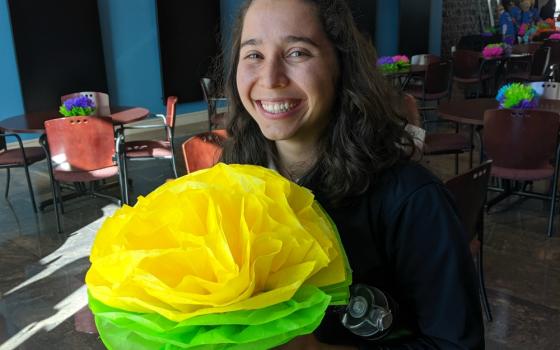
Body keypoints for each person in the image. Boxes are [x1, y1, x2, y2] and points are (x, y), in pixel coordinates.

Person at [219, 0, 485, 348]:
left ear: (341, 65)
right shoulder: (233, 185)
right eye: (253, 55)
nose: (270, 78)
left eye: (298, 52)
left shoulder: (410, 199)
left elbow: (455, 344)